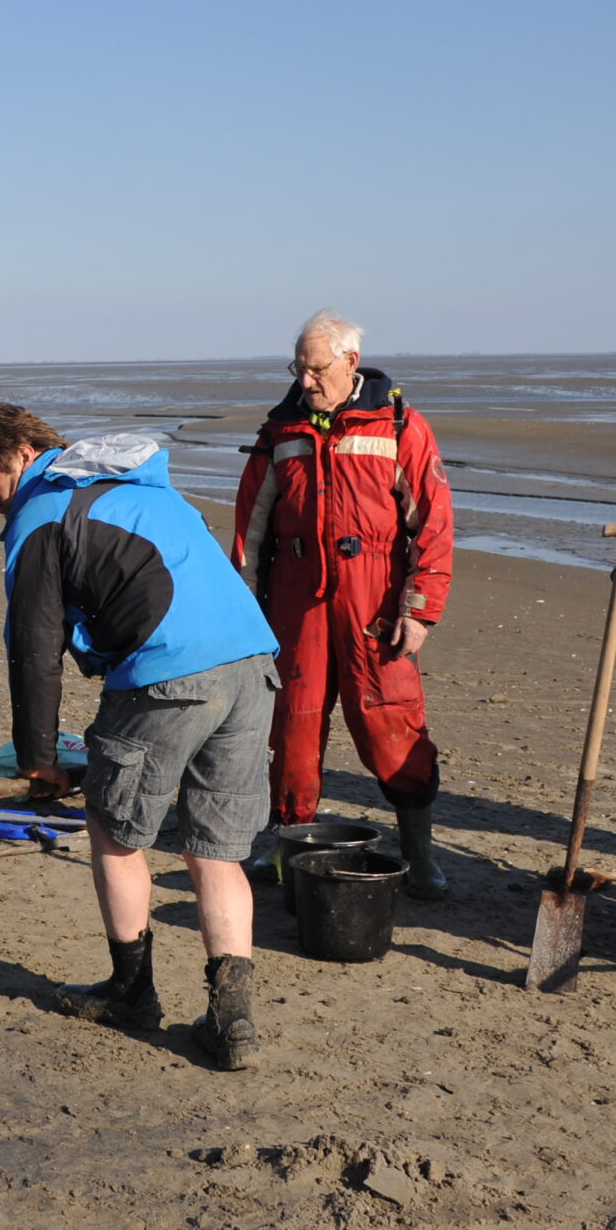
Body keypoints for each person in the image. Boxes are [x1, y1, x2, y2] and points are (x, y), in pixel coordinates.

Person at [0, 404, 281, 1071]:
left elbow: (34, 649)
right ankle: (234, 1021)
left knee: (113, 828)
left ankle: (131, 992)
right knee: (217, 851)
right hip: (254, 662)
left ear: (21, 454)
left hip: (171, 670)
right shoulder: (139, 486)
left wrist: (39, 760)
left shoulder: (42, 511)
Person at [230, 311, 456, 899]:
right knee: (294, 726)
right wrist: (243, 612)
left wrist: (421, 608)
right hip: (295, 598)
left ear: (350, 363)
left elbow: (433, 524)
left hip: (375, 596)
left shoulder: (401, 427)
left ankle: (419, 854)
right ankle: (288, 846)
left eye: (316, 369)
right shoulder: (279, 433)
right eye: (298, 369)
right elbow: (249, 531)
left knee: (389, 718)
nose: (305, 381)